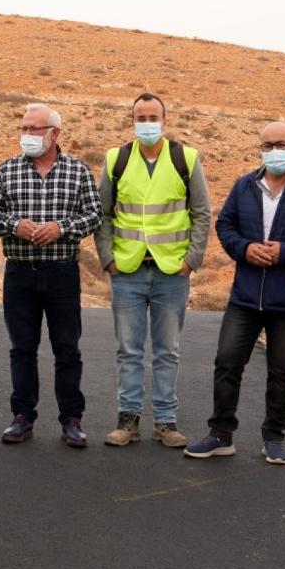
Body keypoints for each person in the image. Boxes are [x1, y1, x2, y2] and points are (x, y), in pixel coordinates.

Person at [184, 121, 285, 465]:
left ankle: (274, 437)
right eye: (267, 145)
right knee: (226, 362)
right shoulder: (245, 186)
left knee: (281, 370)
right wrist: (244, 248)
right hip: (245, 297)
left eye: (280, 144)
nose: (274, 151)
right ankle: (221, 434)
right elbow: (225, 225)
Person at [0, 103, 102, 447]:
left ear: (55, 133)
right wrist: (14, 225)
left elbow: (95, 215)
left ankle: (72, 420)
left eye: (35, 129)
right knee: (22, 348)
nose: (28, 135)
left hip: (62, 273)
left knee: (67, 349)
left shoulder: (77, 172)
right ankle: (22, 418)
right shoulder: (8, 170)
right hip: (20, 272)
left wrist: (61, 228)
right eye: (24, 129)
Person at [94, 93, 210, 449]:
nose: (147, 123)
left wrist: (192, 259)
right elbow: (103, 213)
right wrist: (107, 259)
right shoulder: (116, 158)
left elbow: (202, 212)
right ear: (132, 122)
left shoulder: (185, 158)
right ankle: (127, 421)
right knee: (128, 349)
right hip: (127, 270)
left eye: (153, 116)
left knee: (167, 350)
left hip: (171, 272)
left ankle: (166, 421)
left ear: (165, 119)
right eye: (140, 117)